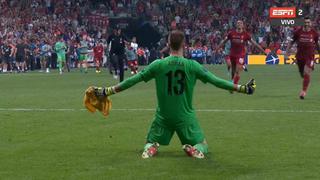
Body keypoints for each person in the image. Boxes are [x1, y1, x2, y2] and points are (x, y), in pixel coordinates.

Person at [91, 30, 256, 159]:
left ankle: (151, 149)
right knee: (202, 144)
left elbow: (133, 80)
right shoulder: (192, 66)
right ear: (184, 44)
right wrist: (243, 88)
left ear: (168, 43)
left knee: (150, 142)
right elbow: (216, 81)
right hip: (185, 116)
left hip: (163, 116)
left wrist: (107, 91)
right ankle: (195, 149)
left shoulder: (158, 65)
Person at [285, 17, 320, 99]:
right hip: (300, 57)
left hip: (310, 57)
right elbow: (291, 42)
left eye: (308, 22)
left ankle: (303, 92)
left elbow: (317, 44)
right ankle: (305, 76)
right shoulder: (298, 32)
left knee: (306, 72)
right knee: (302, 74)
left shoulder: (314, 33)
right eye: (305, 22)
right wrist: (287, 53)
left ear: (310, 23)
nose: (306, 24)